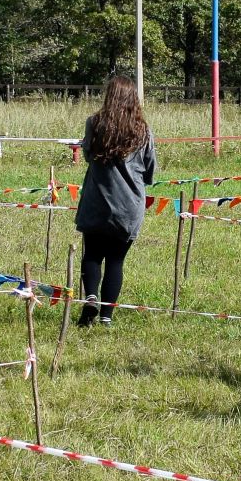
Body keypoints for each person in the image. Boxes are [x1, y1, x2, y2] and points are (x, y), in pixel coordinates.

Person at [74, 75, 158, 327]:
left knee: (91, 255)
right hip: (128, 206)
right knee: (115, 260)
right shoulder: (143, 130)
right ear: (134, 99)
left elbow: (88, 154)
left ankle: (90, 297)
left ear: (109, 96)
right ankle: (107, 317)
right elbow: (150, 169)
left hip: (97, 201)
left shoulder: (94, 123)